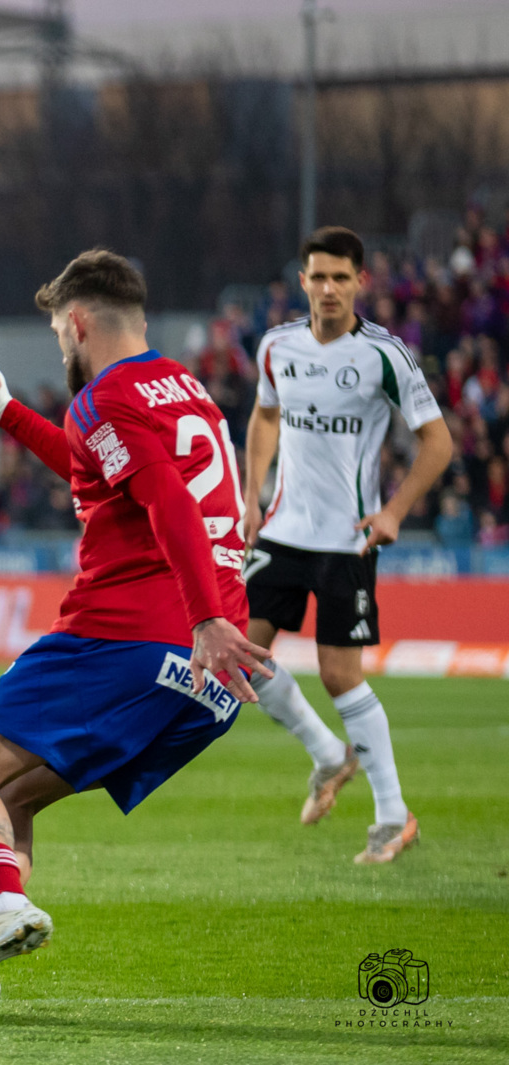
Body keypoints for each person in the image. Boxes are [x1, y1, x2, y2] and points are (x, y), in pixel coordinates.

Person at [0, 250, 270, 1021]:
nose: (62, 352)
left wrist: (205, 615)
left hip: (130, 635)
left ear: (78, 323)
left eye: (60, 337)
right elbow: (107, 469)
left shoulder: (106, 393)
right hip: (202, 678)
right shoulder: (188, 391)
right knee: (8, 795)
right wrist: (3, 409)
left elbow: (163, 494)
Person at [241, 227, 450, 864]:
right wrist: (252, 494)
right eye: (318, 277)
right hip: (282, 528)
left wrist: (393, 511)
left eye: (341, 277)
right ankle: (328, 754)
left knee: (339, 676)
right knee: (238, 656)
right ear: (302, 282)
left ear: (361, 282)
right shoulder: (277, 346)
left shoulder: (386, 355)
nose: (329, 288)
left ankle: (393, 818)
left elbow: (438, 442)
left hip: (346, 540)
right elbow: (265, 416)